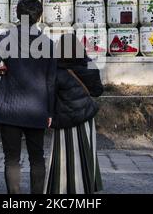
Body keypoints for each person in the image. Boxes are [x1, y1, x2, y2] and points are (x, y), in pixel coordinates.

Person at [0, 0, 56, 194]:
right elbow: (51, 81)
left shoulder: (6, 38)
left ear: (17, 14)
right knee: (37, 157)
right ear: (39, 17)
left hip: (9, 106)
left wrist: (2, 70)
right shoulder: (48, 44)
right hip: (37, 108)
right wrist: (50, 111)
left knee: (11, 159)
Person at [44, 33, 103, 194]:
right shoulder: (89, 65)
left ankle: (61, 188)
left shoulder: (55, 69)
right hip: (85, 118)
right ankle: (86, 187)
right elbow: (97, 91)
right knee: (86, 153)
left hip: (63, 118)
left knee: (63, 156)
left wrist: (48, 114)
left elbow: (49, 95)